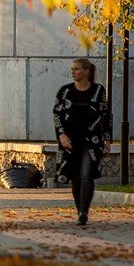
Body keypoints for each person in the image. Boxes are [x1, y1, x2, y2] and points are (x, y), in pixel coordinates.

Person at [54, 58, 111, 227]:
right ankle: (80, 210)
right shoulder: (65, 91)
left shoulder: (98, 90)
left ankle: (83, 212)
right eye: (72, 69)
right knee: (75, 178)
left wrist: (107, 140)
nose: (73, 72)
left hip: (91, 141)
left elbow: (105, 116)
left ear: (86, 71)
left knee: (87, 175)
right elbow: (57, 115)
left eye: (77, 69)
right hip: (70, 141)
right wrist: (61, 135)